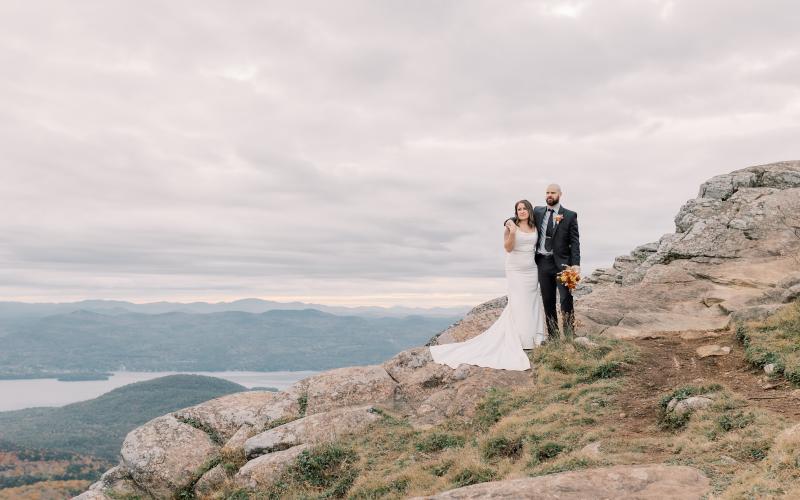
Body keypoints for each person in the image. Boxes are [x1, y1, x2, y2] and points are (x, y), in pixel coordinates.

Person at [429, 200, 546, 371]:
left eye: (524, 208)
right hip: (515, 268)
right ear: (515, 212)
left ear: (529, 210)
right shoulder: (510, 225)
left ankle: (533, 339)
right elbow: (508, 248)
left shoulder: (535, 226)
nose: (522, 211)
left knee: (532, 301)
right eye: (518, 209)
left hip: (531, 269)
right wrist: (512, 232)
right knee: (518, 302)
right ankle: (519, 340)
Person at [533, 184, 580, 339]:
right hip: (543, 263)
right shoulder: (537, 212)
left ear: (560, 194)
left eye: (552, 192)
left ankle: (569, 334)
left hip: (563, 264)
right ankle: (553, 337)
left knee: (566, 298)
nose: (549, 195)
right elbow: (521, 217)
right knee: (548, 301)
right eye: (547, 192)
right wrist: (509, 221)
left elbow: (575, 242)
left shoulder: (570, 215)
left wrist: (576, 264)